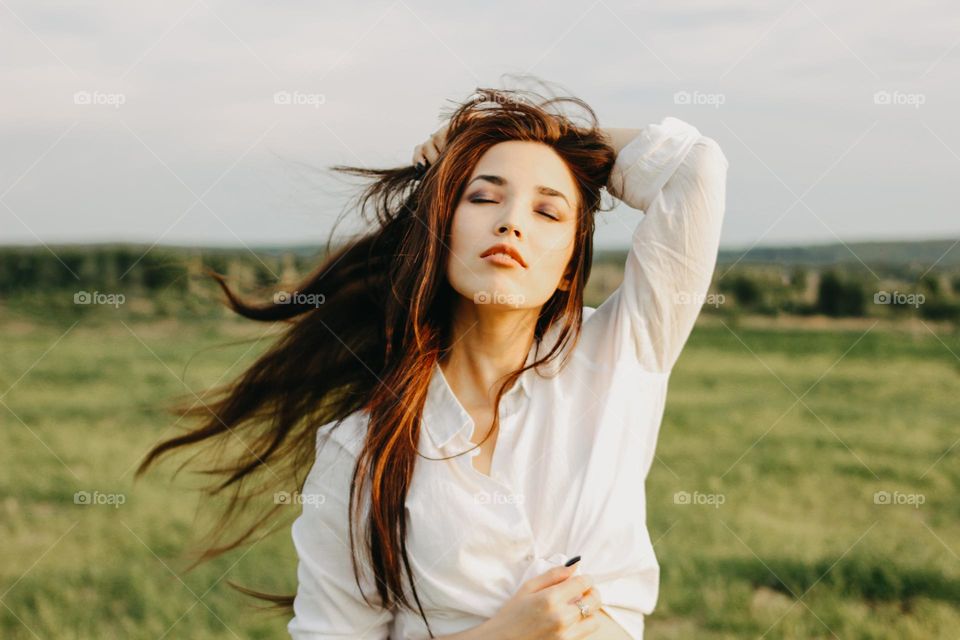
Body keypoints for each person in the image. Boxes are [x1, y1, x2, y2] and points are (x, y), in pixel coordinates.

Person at [137, 82, 728, 640]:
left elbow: (694, 169)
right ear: (439, 229)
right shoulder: (361, 449)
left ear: (570, 265)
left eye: (547, 212)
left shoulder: (621, 353)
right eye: (483, 196)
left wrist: (539, 139)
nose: (511, 221)